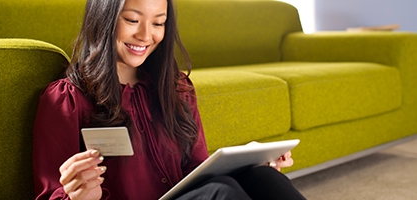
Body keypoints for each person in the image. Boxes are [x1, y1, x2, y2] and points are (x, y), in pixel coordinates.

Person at [32, 0, 306, 199]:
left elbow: (198, 169)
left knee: (262, 176)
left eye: (158, 23)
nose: (146, 35)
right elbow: (51, 193)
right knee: (220, 193)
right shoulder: (66, 99)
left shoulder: (177, 90)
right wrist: (78, 196)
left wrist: (246, 161)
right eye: (131, 20)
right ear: (103, 18)